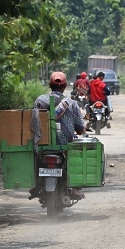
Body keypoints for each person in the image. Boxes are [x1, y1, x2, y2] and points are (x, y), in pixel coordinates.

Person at [32, 71, 86, 199]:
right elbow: (79, 129)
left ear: (50, 85)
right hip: (64, 145)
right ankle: (76, 187)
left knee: (35, 157)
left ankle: (34, 184)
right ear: (65, 86)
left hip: (41, 143)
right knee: (76, 157)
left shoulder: (39, 100)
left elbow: (33, 122)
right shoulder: (71, 103)